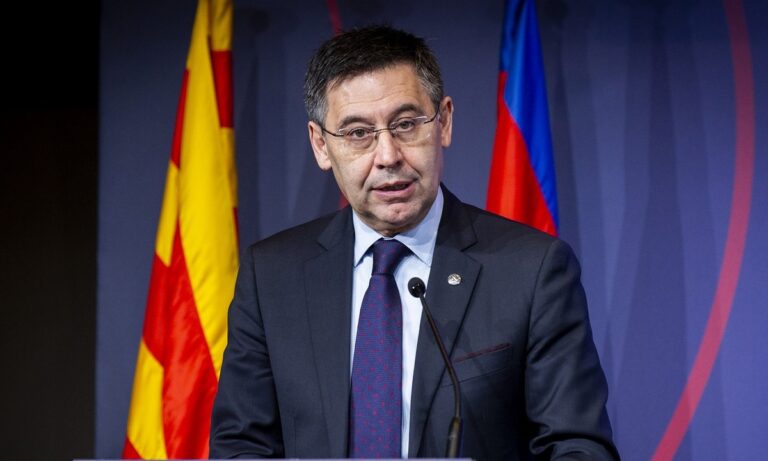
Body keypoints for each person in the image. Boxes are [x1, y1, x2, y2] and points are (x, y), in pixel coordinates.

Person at [210, 25, 619, 460]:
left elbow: (577, 447)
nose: (388, 156)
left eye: (406, 125)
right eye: (358, 133)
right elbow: (241, 448)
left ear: (444, 121)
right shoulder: (272, 277)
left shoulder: (531, 270)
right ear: (321, 145)